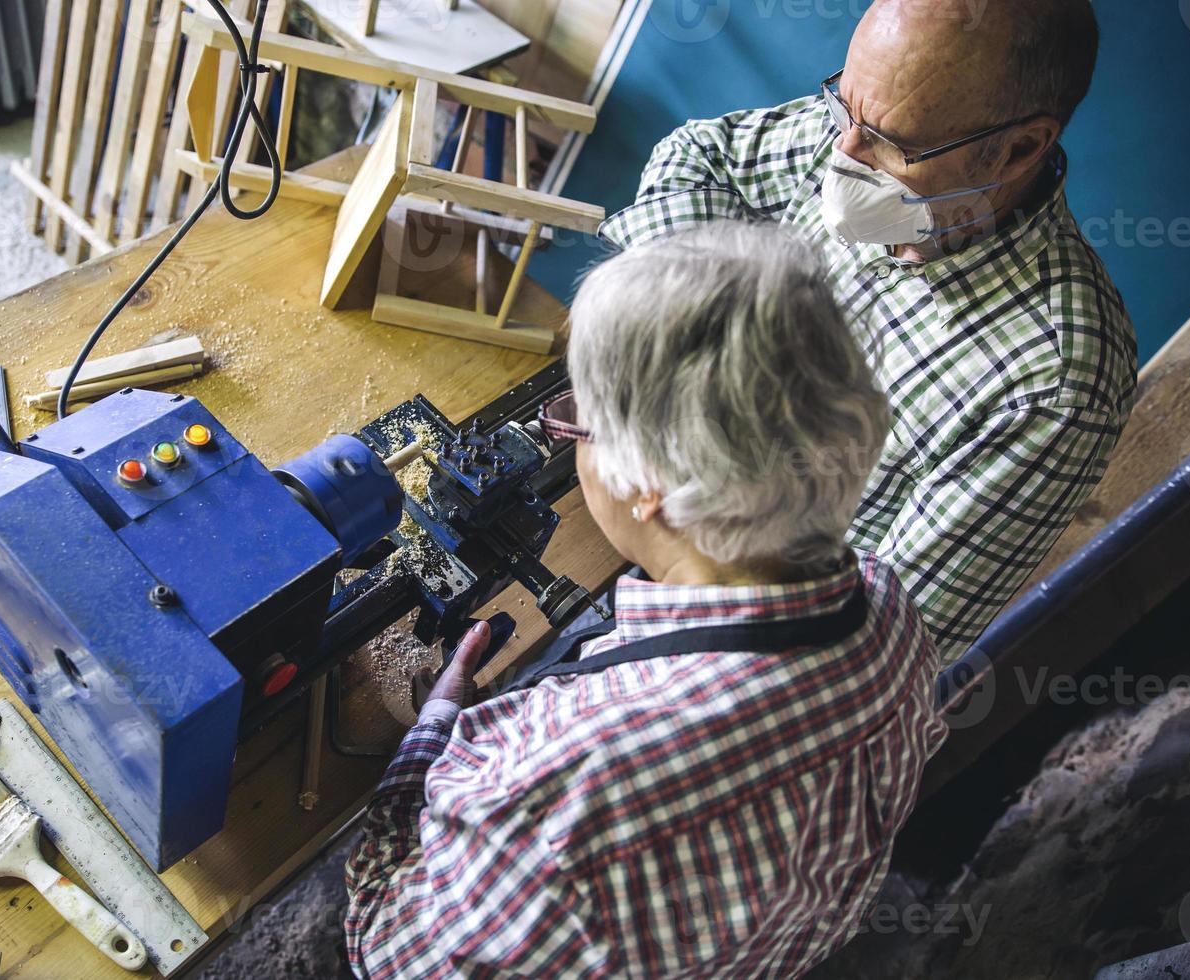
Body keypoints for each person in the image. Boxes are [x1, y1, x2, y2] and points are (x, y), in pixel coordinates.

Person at [344, 223, 949, 978]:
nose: (566, 439)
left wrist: (428, 742)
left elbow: (389, 955)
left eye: (580, 422)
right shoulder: (887, 610)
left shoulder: (558, 794)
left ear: (650, 486)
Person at [602, 0, 1136, 659]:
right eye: (842, 108)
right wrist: (689, 324)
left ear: (1019, 148)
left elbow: (868, 652)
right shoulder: (863, 126)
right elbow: (698, 156)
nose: (843, 157)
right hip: (648, 501)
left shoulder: (1054, 382)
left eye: (892, 143)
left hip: (729, 649)